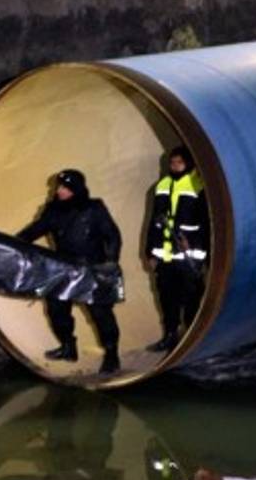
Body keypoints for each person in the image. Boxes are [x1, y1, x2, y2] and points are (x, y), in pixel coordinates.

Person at [18, 169, 123, 376]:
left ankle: (112, 355)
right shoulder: (53, 210)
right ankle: (68, 347)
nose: (59, 191)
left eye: (65, 187)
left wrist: (110, 262)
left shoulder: (94, 208)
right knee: (56, 310)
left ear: (76, 189)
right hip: (63, 268)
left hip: (92, 268)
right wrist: (14, 244)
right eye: (59, 187)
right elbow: (34, 230)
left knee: (101, 315)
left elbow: (112, 235)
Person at [144, 145, 209, 352]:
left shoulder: (198, 186)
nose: (175, 166)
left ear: (188, 163)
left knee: (191, 297)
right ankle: (170, 336)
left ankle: (191, 337)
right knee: (167, 297)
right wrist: (150, 251)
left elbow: (208, 223)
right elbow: (153, 221)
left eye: (179, 162)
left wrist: (197, 246)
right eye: (172, 162)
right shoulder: (162, 185)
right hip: (166, 256)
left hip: (189, 256)